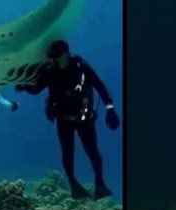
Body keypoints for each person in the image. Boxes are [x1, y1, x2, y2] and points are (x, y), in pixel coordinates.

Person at [15, 40, 120, 200]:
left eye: (58, 55)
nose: (55, 59)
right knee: (67, 152)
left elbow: (100, 85)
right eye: (53, 56)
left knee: (92, 151)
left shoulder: (80, 66)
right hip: (63, 119)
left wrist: (110, 108)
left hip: (84, 118)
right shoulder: (49, 70)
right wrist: (23, 86)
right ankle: (73, 184)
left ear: (66, 53)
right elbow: (36, 89)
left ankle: (100, 183)